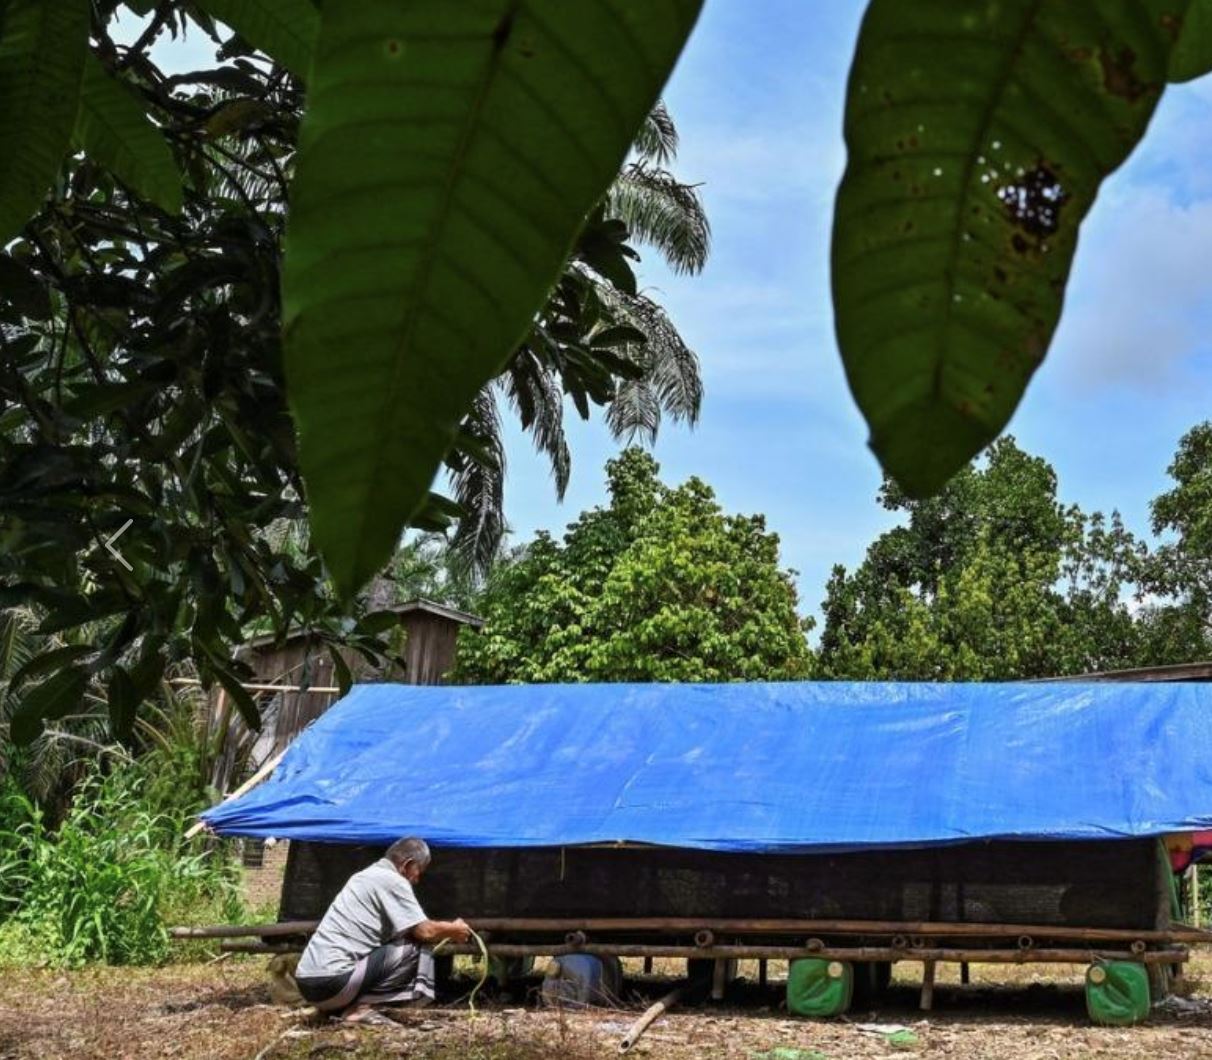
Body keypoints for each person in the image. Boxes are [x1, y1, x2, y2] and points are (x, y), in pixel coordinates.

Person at [294, 836, 471, 1022]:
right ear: (408, 864)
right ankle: (361, 1008)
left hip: (307, 985)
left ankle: (334, 1008)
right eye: (419, 871)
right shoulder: (393, 880)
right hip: (332, 984)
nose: (417, 879)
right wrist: (453, 929)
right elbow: (424, 931)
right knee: (415, 947)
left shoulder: (363, 877)